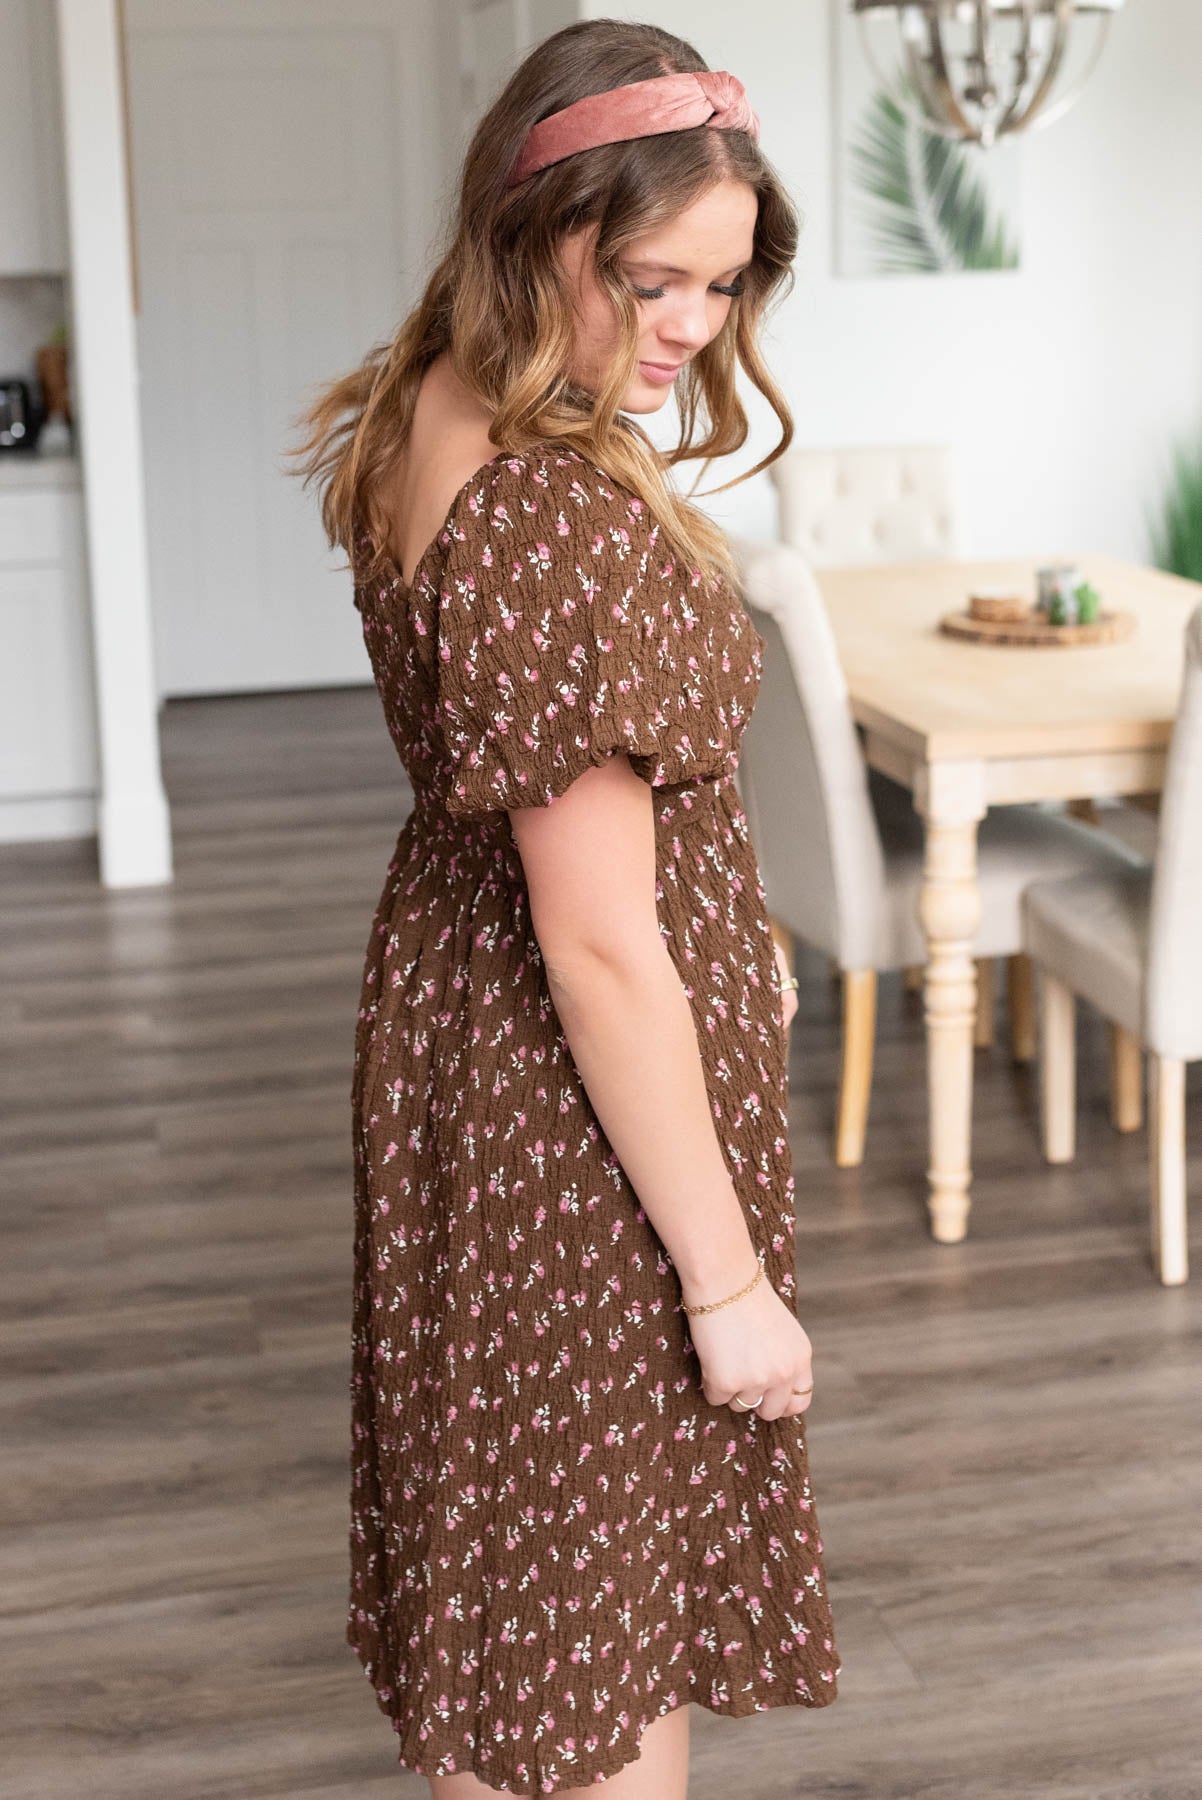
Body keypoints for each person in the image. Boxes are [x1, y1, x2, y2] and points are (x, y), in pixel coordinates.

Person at [293, 19, 840, 1797]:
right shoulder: (551, 511)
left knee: (538, 1588)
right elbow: (600, 947)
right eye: (651, 277)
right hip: (575, 1127)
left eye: (722, 284)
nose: (691, 325)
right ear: (538, 223)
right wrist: (731, 1285)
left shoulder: (441, 392)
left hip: (476, 1032)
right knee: (584, 1651)